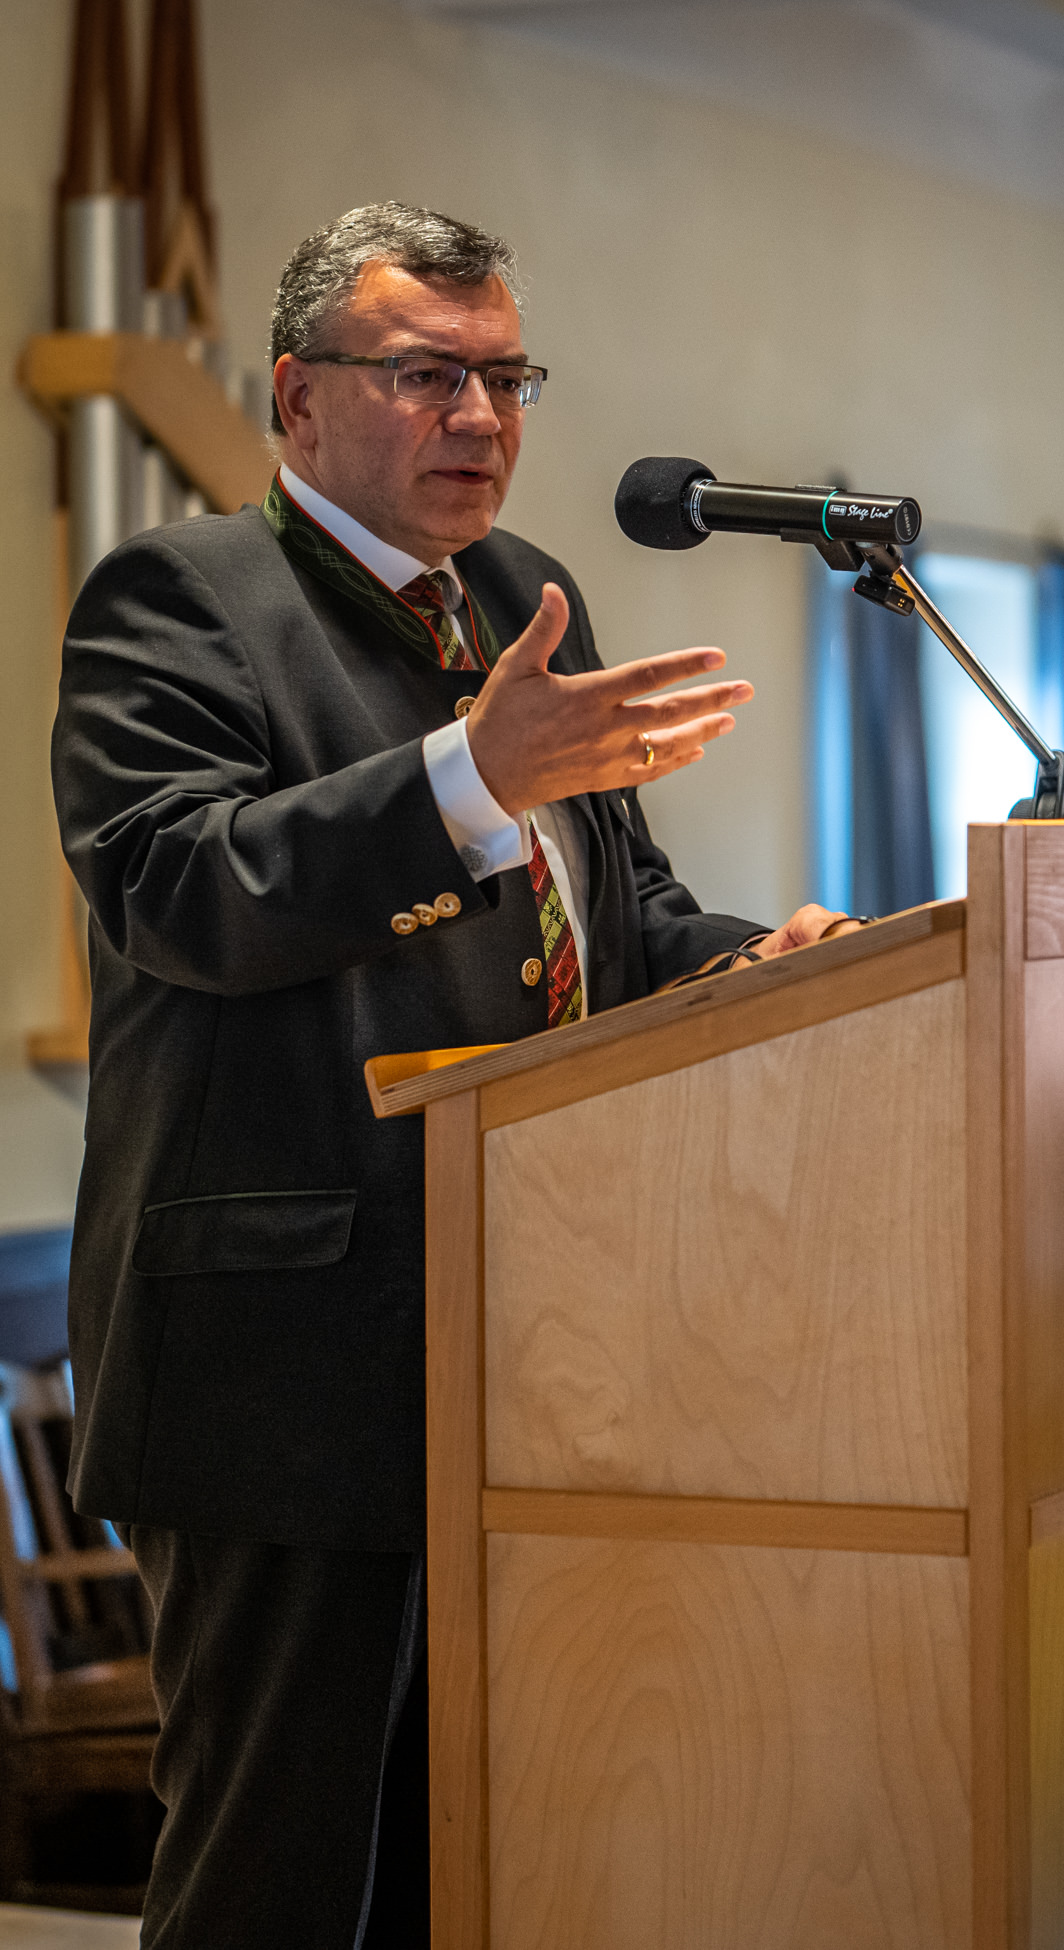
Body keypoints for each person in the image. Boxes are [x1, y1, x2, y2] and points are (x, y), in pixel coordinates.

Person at [51, 202, 853, 1948]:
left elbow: (615, 922)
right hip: (285, 1359)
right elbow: (179, 889)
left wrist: (771, 962)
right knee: (280, 1879)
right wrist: (465, 778)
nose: (480, 417)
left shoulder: (514, 593)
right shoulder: (181, 598)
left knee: (465, 1872)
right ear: (297, 396)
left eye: (506, 378)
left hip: (529, 1344)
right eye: (427, 376)